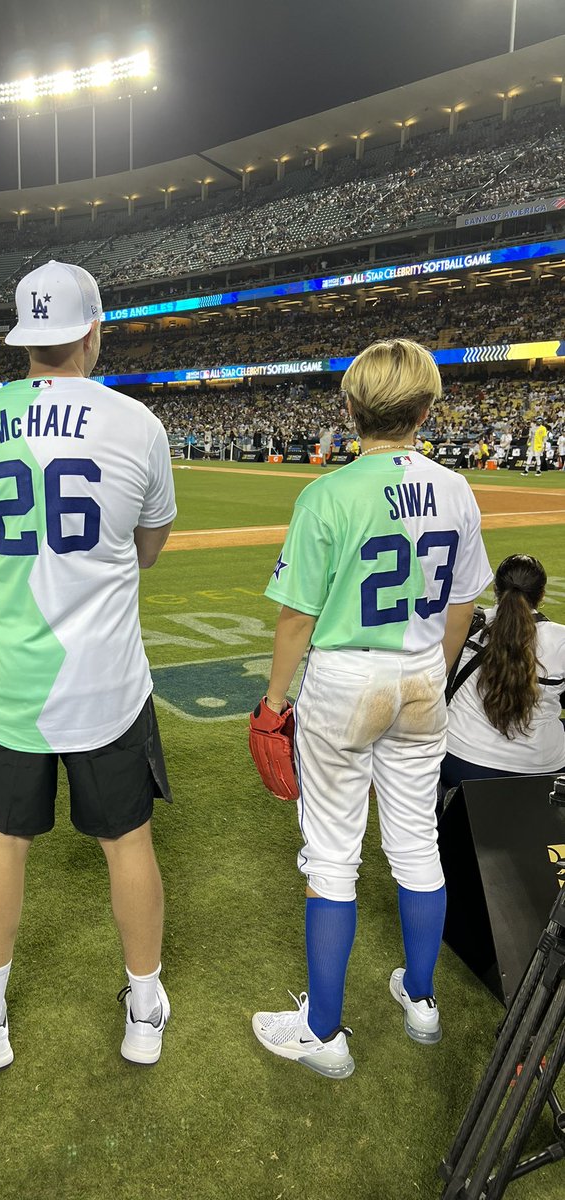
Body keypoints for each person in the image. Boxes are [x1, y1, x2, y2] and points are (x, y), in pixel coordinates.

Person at [0, 261, 176, 1072]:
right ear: (89, 329)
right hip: (108, 683)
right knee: (129, 842)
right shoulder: (137, 423)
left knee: (2, 845)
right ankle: (144, 1009)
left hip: (8, 683)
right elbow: (147, 552)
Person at [251, 338, 492, 1078]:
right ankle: (420, 1001)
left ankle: (324, 1033)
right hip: (421, 670)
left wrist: (271, 701)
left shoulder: (326, 493)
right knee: (417, 844)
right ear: (426, 410)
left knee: (332, 855)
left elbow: (296, 618)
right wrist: (431, 673)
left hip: (345, 679)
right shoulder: (456, 487)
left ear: (349, 410)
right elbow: (462, 605)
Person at [442, 555, 565, 792]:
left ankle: (446, 804)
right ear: (541, 594)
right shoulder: (560, 639)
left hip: (461, 762)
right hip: (541, 769)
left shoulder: (468, 624)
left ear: (496, 589)